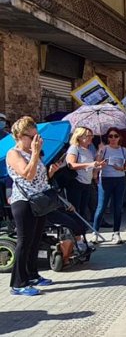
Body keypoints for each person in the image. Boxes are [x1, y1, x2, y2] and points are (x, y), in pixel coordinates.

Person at [6, 116, 62, 296]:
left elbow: (38, 178)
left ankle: (32, 274)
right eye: (32, 137)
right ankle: (18, 283)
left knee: (36, 239)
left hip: (38, 200)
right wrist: (36, 154)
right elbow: (26, 175)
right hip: (23, 201)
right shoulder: (14, 154)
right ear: (20, 136)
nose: (36, 140)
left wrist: (50, 172)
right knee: (24, 241)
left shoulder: (33, 153)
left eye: (37, 137)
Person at [92, 127, 126, 244]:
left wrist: (122, 168)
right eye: (110, 136)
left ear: (119, 138)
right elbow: (97, 164)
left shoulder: (123, 150)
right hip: (105, 179)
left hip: (119, 180)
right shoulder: (104, 149)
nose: (113, 138)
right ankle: (95, 232)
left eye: (115, 136)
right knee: (101, 207)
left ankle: (116, 232)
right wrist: (100, 152)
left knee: (118, 207)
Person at [66, 127, 106, 221]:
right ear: (79, 137)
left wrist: (100, 153)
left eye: (91, 135)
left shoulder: (88, 151)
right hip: (76, 182)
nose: (91, 138)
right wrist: (90, 164)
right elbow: (71, 165)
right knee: (76, 209)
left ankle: (80, 230)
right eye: (88, 136)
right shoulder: (74, 149)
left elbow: (93, 164)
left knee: (83, 210)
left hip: (87, 183)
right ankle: (75, 231)